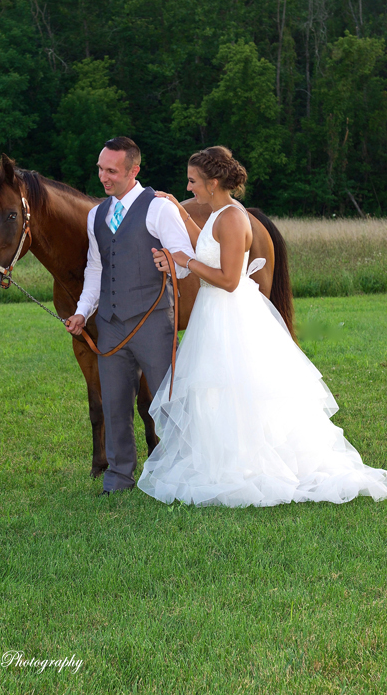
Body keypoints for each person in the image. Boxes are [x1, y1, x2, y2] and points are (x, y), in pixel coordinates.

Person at [138, 146, 387, 507]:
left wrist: (185, 261)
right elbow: (204, 242)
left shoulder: (233, 219)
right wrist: (178, 209)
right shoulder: (218, 213)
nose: (188, 186)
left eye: (192, 181)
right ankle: (219, 458)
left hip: (228, 312)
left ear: (212, 182)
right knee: (215, 389)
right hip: (213, 314)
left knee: (235, 385)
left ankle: (248, 465)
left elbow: (228, 280)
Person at [65, 137, 195, 494]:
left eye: (111, 171)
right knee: (114, 404)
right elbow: (96, 269)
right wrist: (81, 312)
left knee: (169, 400)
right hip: (109, 325)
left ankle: (182, 471)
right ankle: (118, 477)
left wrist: (171, 262)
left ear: (133, 170)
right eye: (100, 169)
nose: (103, 177)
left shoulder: (159, 208)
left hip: (154, 322)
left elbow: (185, 262)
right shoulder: (96, 215)